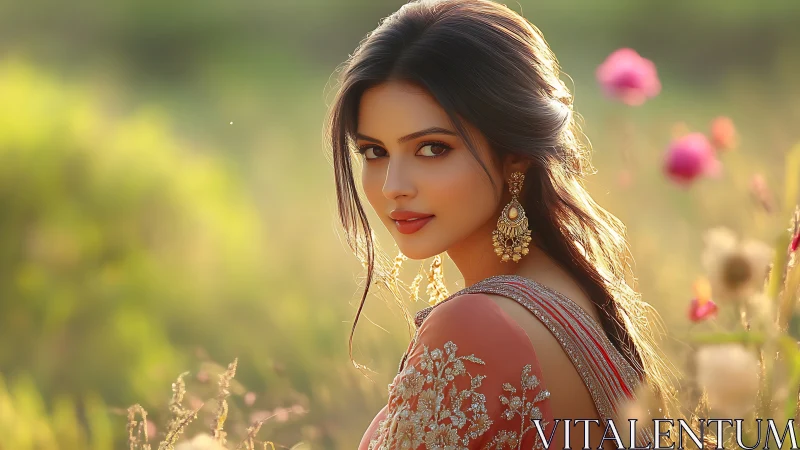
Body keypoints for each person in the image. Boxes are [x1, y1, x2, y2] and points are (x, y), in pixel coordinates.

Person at [326, 0, 678, 448]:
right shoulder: (574, 294)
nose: (394, 186)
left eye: (432, 149)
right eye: (374, 151)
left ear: (515, 153)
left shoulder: (475, 326)